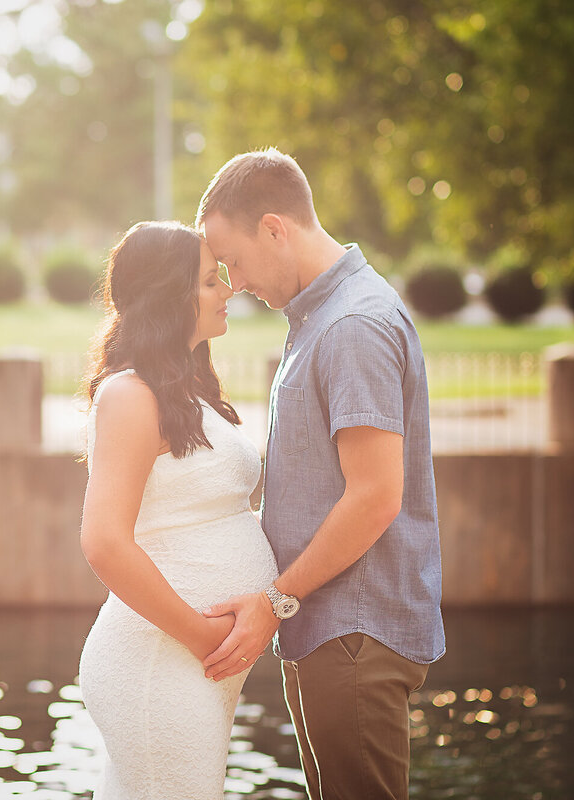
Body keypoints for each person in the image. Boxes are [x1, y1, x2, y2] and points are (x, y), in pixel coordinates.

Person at [195, 148, 445, 800]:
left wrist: (274, 602)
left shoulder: (352, 326)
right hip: (330, 630)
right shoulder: (319, 318)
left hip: (351, 634)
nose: (236, 281)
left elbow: (374, 498)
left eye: (236, 261)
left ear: (275, 228)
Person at [77, 220, 279, 799]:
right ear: (171, 296)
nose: (228, 290)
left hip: (196, 662)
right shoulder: (129, 395)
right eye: (212, 280)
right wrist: (200, 636)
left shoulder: (187, 390)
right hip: (158, 660)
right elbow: (105, 542)